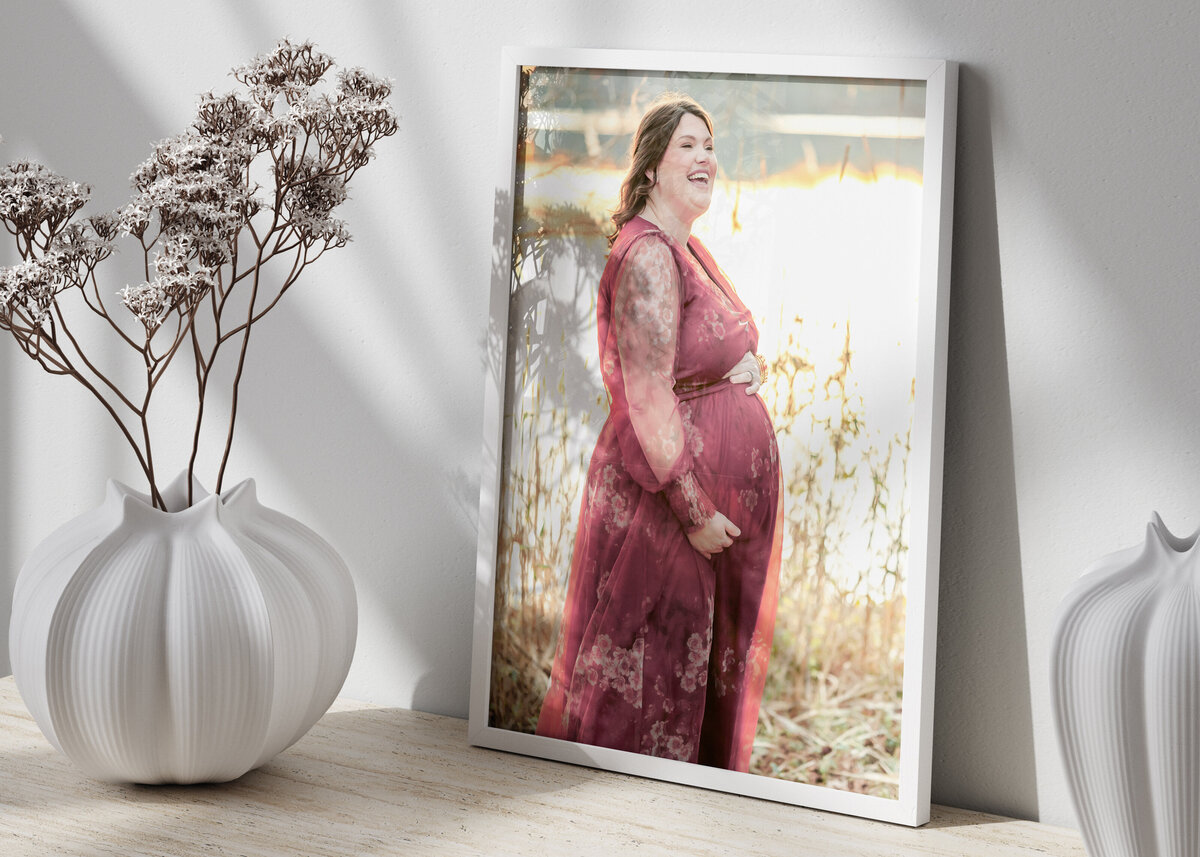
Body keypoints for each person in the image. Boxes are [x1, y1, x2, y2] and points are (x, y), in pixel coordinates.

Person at [535, 93, 783, 772]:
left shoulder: (683, 247)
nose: (707, 157)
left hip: (694, 511)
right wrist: (696, 511)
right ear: (650, 168)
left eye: (711, 145)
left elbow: (690, 356)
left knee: (682, 678)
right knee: (646, 684)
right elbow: (645, 398)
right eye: (689, 146)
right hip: (664, 512)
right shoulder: (649, 257)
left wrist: (739, 370)